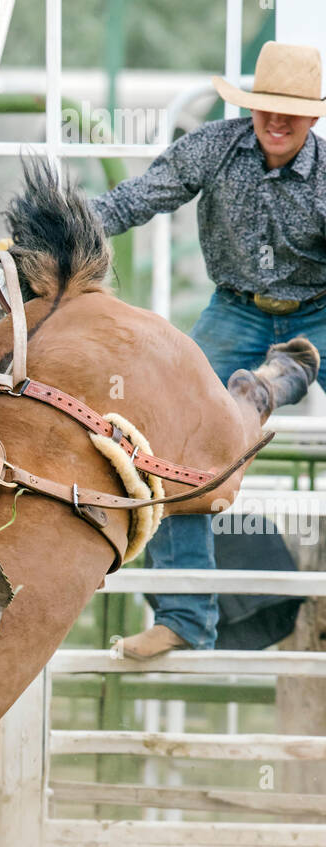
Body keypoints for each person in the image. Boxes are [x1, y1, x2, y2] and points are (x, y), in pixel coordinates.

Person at [92, 41, 326, 658]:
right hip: (237, 309)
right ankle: (185, 616)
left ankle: (277, 377)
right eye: (265, 108)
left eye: (290, 112)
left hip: (319, 308)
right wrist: (55, 231)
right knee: (172, 434)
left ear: (313, 118)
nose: (275, 122)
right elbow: (133, 199)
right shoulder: (215, 147)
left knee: (183, 429)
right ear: (249, 108)